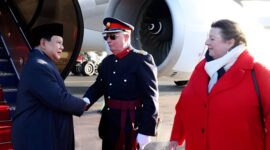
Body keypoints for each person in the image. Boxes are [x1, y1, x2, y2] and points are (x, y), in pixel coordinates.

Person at [169, 19, 270, 150]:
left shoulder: (258, 73)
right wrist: (176, 137)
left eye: (212, 39)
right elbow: (184, 105)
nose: (206, 43)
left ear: (230, 43)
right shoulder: (201, 68)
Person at [83, 17, 159, 150]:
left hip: (130, 125)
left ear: (126, 36)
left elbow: (151, 98)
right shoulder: (107, 62)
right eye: (106, 37)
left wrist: (146, 131)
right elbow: (98, 86)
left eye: (113, 37)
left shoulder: (141, 60)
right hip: (109, 125)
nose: (108, 41)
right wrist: (85, 100)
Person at [11, 23, 90, 150]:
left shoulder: (42, 62)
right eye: (58, 42)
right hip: (35, 139)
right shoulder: (38, 66)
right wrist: (81, 104)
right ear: (43, 43)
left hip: (41, 136)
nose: (62, 47)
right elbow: (57, 98)